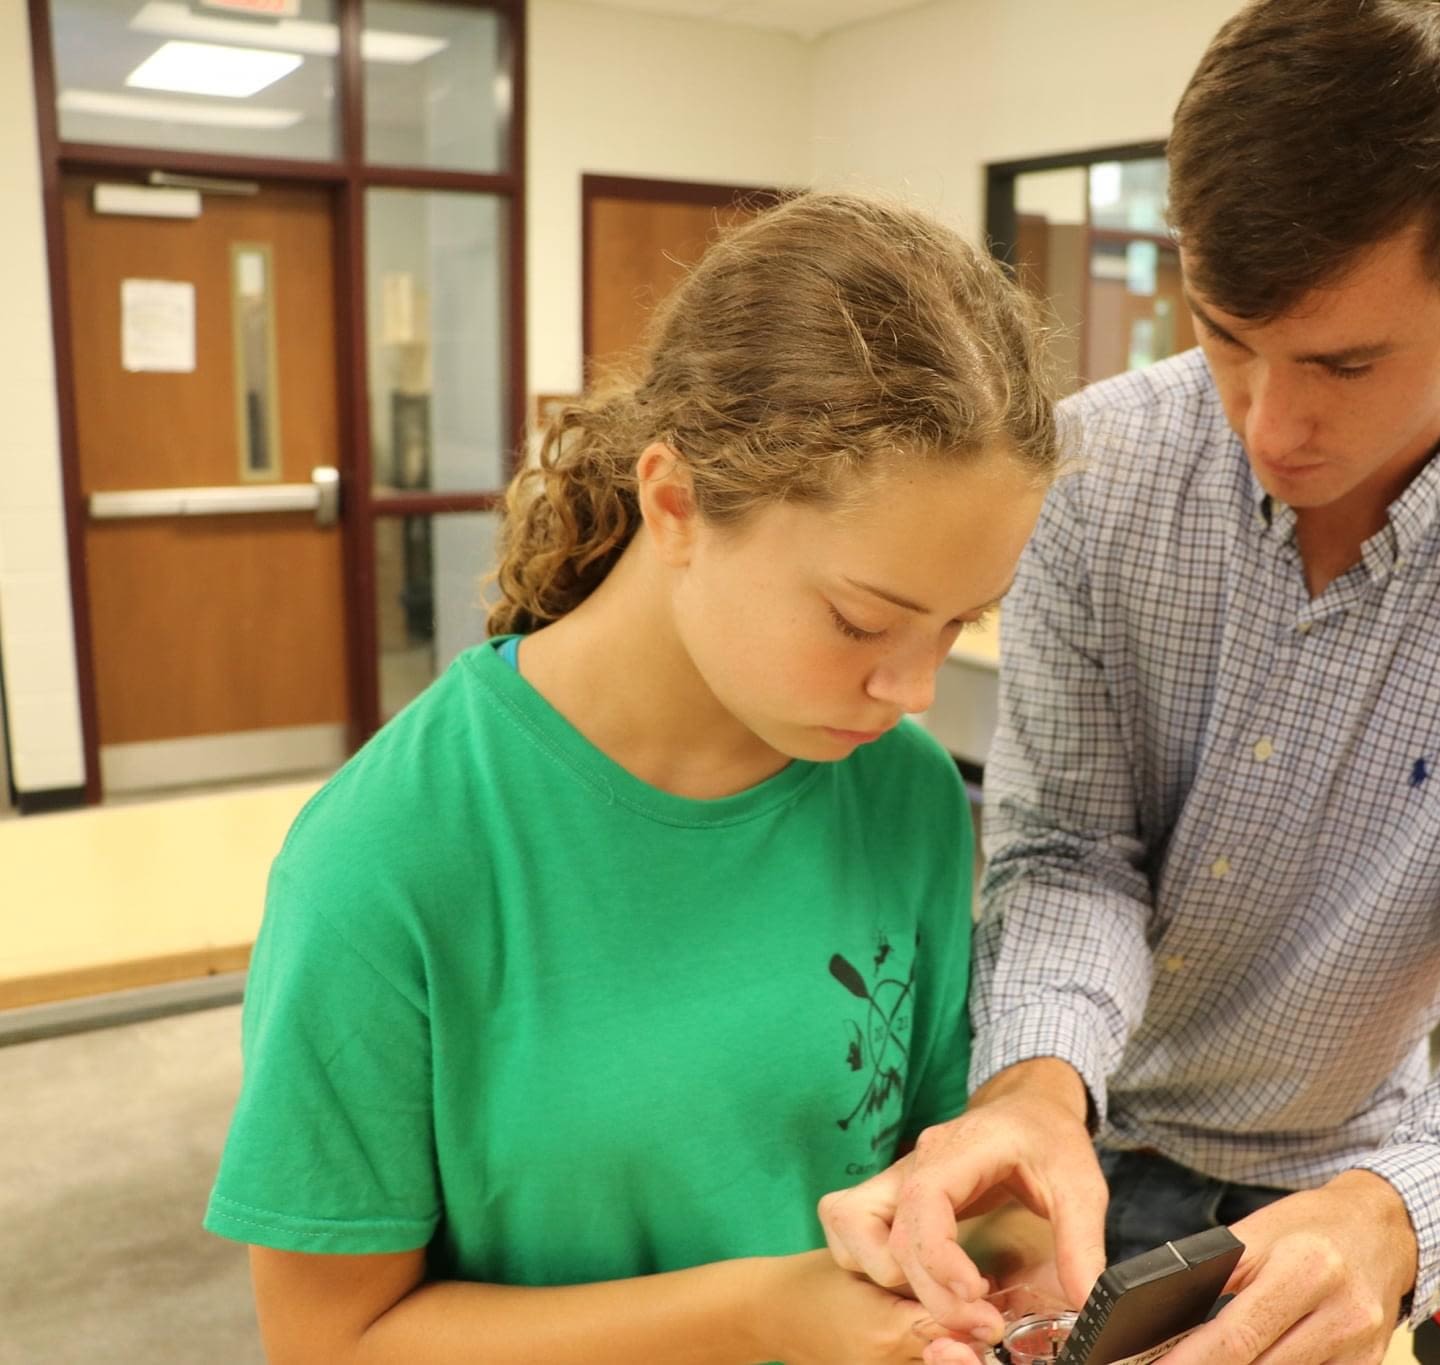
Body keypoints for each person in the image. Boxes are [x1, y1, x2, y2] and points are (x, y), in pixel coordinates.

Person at [819, 3, 1440, 1362]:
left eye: (1345, 361)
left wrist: (1398, 1215)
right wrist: (1037, 1095)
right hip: (1068, 1141)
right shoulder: (1095, 484)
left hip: (1346, 1185)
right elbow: (1068, 852)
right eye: (1228, 335)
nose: (1274, 424)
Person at [203, 192, 1062, 1365]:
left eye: (961, 622)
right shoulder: (393, 855)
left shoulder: (901, 792)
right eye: (863, 621)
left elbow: (921, 1156)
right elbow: (331, 1343)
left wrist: (986, 1246)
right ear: (674, 505)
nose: (912, 692)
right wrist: (760, 1317)